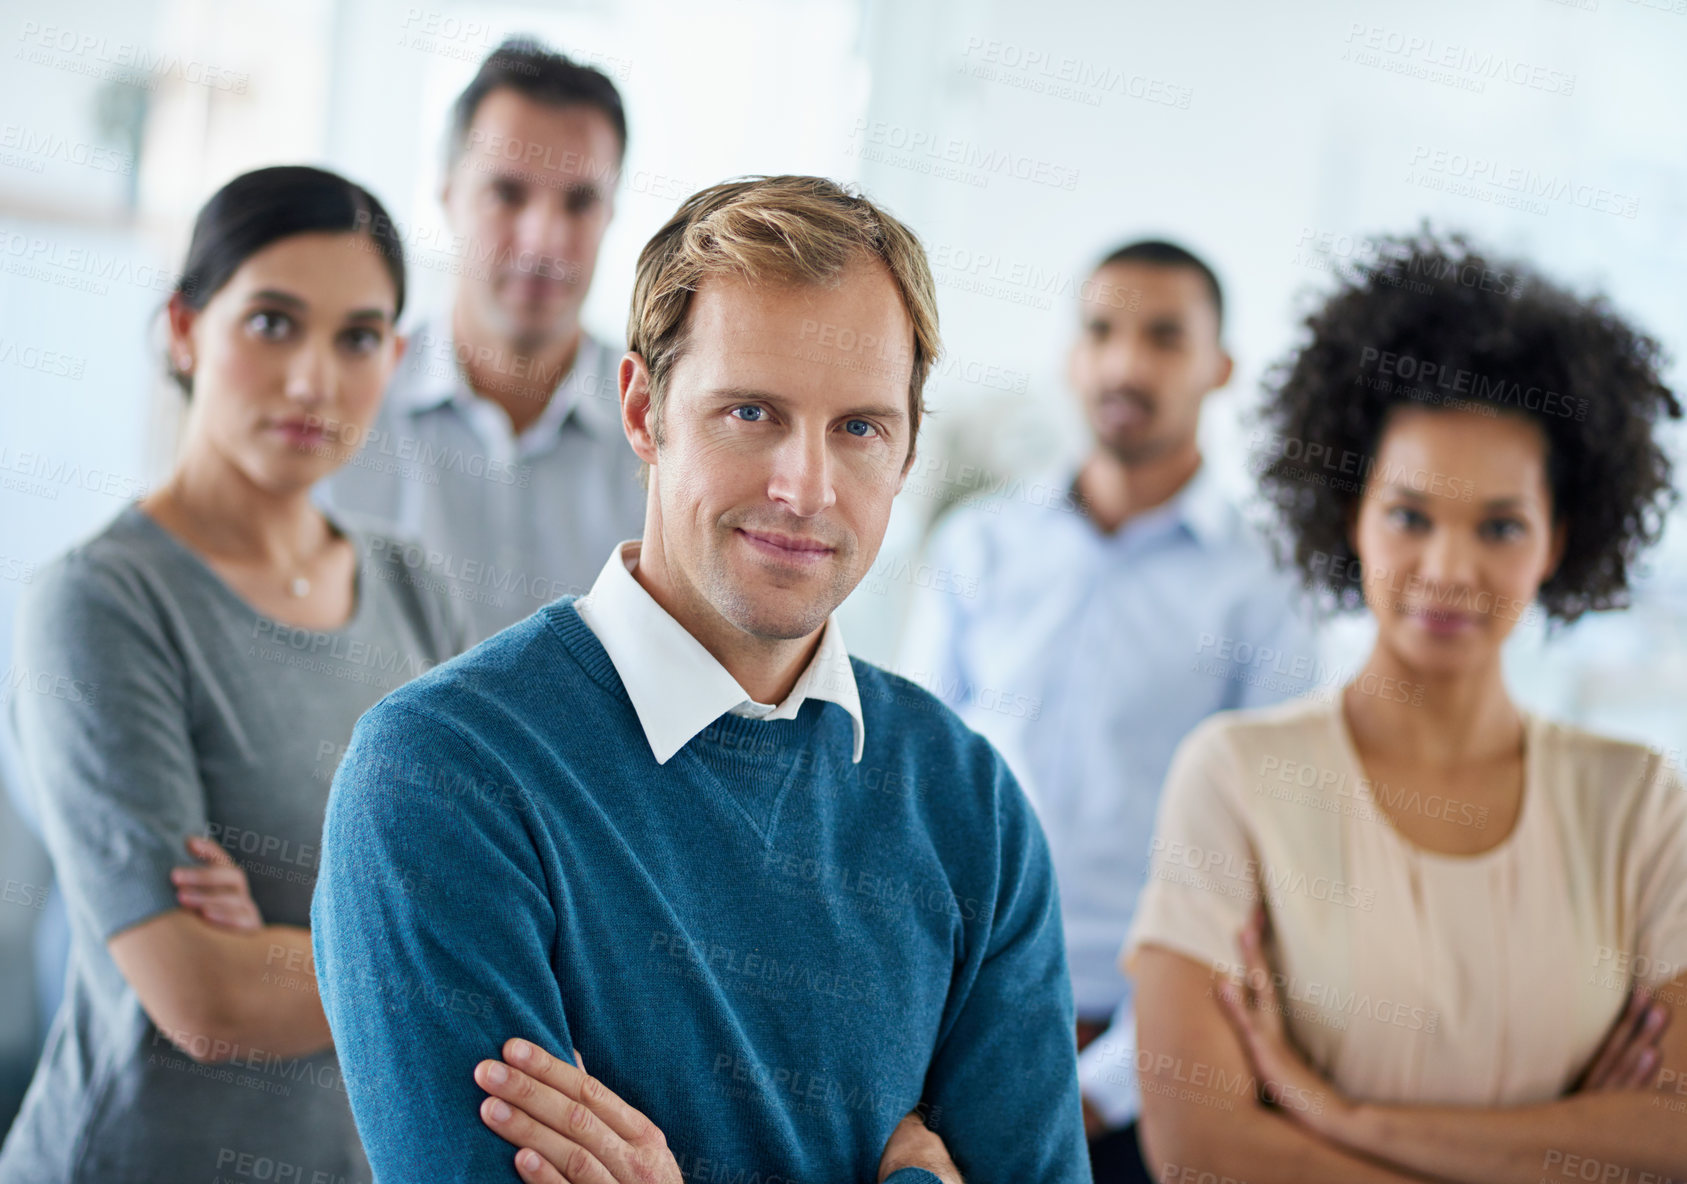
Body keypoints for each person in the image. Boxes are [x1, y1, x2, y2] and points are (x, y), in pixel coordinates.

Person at [311, 175, 1090, 1183]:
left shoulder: (967, 802)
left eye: (858, 427)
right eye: (751, 411)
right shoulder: (441, 774)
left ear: (905, 452)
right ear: (643, 410)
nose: (804, 487)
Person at [1126, 230, 1687, 1183]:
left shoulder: (1639, 803)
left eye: (1500, 525)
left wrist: (1344, 1117)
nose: (1447, 569)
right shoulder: (1237, 777)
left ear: (1559, 540)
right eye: (1408, 514)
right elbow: (1201, 1152)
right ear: (1350, 514)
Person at [0, 166, 468, 1181]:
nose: (314, 379)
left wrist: (290, 943)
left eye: (356, 337)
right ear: (183, 328)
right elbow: (207, 999)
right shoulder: (99, 604)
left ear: (393, 357)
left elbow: (520, 888)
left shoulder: (413, 587)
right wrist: (447, 940)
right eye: (271, 323)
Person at [897, 240, 1316, 1176]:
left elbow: (1263, 867)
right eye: (1101, 331)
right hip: (954, 1039)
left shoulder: (1264, 589)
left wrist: (1107, 1084)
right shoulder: (977, 548)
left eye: (1164, 337)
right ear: (1071, 356)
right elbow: (907, 804)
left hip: (1159, 1072)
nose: (1126, 363)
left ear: (1219, 368)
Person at [315, 36, 646, 643]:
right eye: (507, 193)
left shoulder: (666, 438)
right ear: (446, 193)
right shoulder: (336, 411)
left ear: (612, 214)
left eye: (580, 202)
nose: (544, 240)